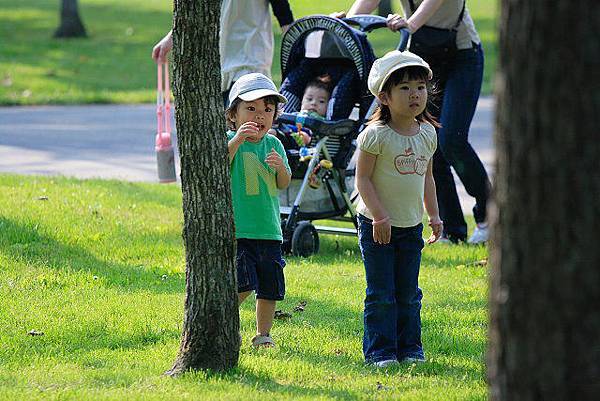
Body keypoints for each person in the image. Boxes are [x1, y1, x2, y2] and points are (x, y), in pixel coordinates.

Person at [343, 0, 491, 244]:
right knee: (431, 141)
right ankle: (452, 229)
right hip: (423, 58)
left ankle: (488, 216)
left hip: (462, 55)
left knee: (451, 140)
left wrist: (409, 24)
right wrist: (346, 22)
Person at [355, 50, 443, 367]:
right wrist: (380, 216)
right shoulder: (375, 135)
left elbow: (428, 178)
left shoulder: (429, 133)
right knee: (381, 293)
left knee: (409, 292)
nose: (415, 94)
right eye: (404, 88)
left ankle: (410, 348)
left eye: (419, 86)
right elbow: (362, 179)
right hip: (378, 224)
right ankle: (380, 352)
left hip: (410, 226)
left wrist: (433, 215)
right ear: (385, 97)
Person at [225, 73, 291, 348]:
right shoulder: (230, 140)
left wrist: (280, 168)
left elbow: (283, 182)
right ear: (233, 115)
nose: (259, 116)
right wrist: (237, 140)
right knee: (243, 283)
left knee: (269, 286)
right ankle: (223, 317)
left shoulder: (274, 144)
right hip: (241, 228)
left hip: (269, 230)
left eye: (267, 110)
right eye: (250, 109)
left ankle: (263, 333)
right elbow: (220, 164)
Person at [152, 0, 294, 105]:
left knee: (244, 120)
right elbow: (194, 7)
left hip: (251, 56)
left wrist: (297, 46)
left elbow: (283, 12)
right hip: (221, 59)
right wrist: (173, 36)